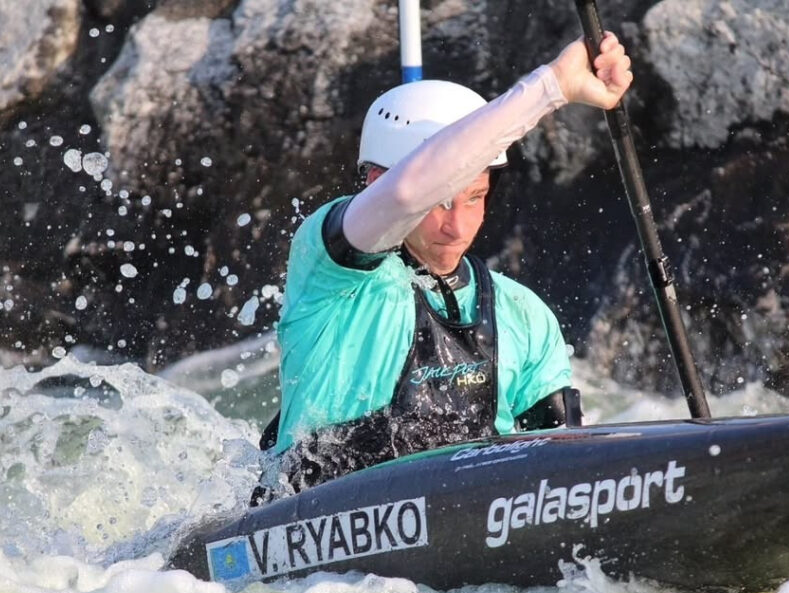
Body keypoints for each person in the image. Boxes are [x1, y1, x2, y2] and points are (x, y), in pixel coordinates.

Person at [256, 33, 633, 499]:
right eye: (442, 202)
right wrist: (552, 86)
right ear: (374, 181)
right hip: (310, 531)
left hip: (454, 539)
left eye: (475, 198)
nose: (458, 227)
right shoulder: (330, 273)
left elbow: (563, 470)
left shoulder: (523, 314)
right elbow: (404, 194)